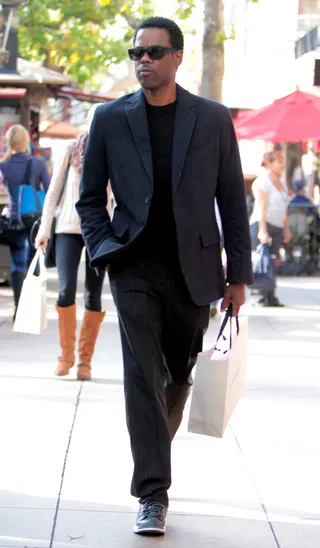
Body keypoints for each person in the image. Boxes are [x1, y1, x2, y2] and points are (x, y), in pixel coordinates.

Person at [77, 17, 252, 536]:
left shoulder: (213, 119)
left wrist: (238, 275)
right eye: (137, 53)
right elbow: (89, 200)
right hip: (133, 266)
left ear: (178, 57)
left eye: (154, 52)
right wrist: (106, 248)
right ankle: (152, 493)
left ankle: (155, 446)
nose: (143, 60)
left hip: (195, 271)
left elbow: (232, 203)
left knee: (177, 375)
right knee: (140, 376)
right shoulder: (108, 120)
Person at [35, 105, 105, 381]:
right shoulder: (69, 150)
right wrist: (44, 229)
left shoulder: (111, 152)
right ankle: (66, 356)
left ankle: (85, 361)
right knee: (65, 291)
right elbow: (53, 193)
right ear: (87, 123)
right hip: (66, 228)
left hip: (100, 231)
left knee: (93, 295)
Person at [0, 124, 50, 319]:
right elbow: (48, 187)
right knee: (33, 263)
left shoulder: (3, 165)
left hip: (13, 220)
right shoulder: (37, 164)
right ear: (25, 141)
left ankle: (18, 308)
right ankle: (32, 309)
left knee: (17, 264)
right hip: (33, 220)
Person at [250, 150, 291, 307]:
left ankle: (271, 295)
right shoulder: (262, 182)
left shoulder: (282, 184)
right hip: (262, 225)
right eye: (278, 161)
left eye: (282, 161)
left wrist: (286, 228)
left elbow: (284, 209)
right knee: (260, 261)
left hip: (277, 226)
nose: (282, 164)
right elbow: (262, 208)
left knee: (274, 261)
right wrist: (262, 230)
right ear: (269, 163)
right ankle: (258, 295)